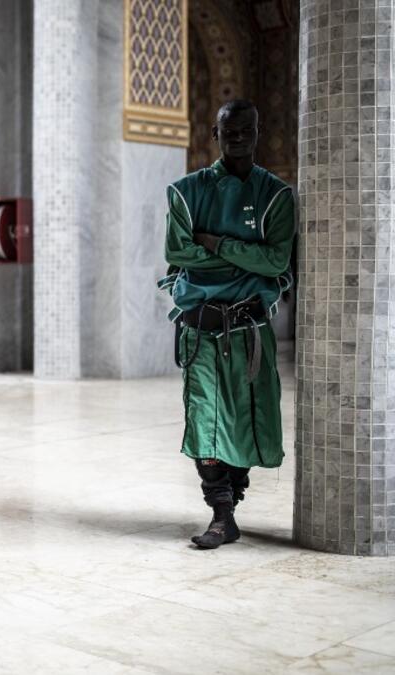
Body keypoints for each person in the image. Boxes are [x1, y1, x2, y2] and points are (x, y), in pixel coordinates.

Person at [159, 100, 294, 550]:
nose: (237, 138)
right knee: (204, 420)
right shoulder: (186, 191)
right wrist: (246, 264)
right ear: (214, 135)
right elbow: (179, 253)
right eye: (228, 131)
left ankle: (232, 503)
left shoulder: (276, 195)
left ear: (258, 132)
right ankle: (220, 514)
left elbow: (277, 260)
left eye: (246, 131)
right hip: (200, 330)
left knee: (248, 421)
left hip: (250, 332)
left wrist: (215, 243)